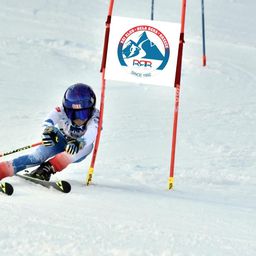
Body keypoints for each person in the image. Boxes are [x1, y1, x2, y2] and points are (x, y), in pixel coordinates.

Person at [0, 83, 99, 181]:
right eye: (72, 113)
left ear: (91, 109)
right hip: (59, 140)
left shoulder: (96, 116)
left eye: (83, 113)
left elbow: (92, 132)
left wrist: (80, 142)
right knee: (37, 157)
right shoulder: (60, 110)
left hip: (78, 148)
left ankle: (46, 169)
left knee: (86, 146)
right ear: (66, 109)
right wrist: (47, 131)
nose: (78, 118)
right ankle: (3, 169)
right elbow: (48, 121)